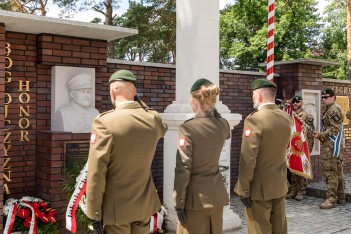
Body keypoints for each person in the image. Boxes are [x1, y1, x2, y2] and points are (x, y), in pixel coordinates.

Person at [85, 69, 168, 234]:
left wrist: (94, 212)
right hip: (144, 204)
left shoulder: (104, 122)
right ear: (136, 92)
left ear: (112, 92)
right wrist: (138, 103)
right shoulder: (153, 118)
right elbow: (161, 126)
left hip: (117, 208)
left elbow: (96, 172)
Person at [234, 79, 292, 234]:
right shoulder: (286, 118)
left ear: (259, 95)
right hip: (279, 183)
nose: (253, 99)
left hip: (258, 188)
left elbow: (248, 158)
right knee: (279, 228)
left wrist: (243, 188)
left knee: (259, 229)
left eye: (253, 95)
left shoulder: (254, 119)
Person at [173, 78, 230, 234]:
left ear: (194, 100)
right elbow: (220, 126)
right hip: (216, 195)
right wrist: (212, 111)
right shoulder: (223, 124)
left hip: (195, 199)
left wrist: (179, 201)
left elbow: (183, 167)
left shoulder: (188, 128)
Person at [313, 88, 345, 209]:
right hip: (331, 145)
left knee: (331, 172)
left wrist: (321, 134)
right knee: (337, 172)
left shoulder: (334, 110)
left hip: (332, 146)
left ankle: (331, 199)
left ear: (333, 97)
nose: (323, 99)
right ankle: (340, 197)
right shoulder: (330, 108)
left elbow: (335, 129)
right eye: (322, 97)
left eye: (326, 97)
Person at [285, 95, 315, 201]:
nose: (295, 104)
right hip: (292, 147)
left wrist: (309, 150)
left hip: (302, 148)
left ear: (302, 102)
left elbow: (310, 135)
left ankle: (301, 191)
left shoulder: (307, 117)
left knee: (301, 168)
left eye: (297, 102)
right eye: (294, 102)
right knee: (292, 169)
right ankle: (293, 190)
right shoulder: (289, 115)